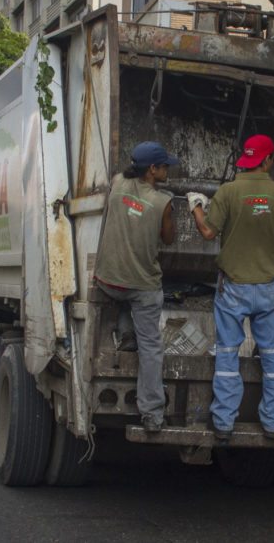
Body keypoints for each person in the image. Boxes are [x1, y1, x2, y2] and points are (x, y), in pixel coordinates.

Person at [189, 134, 274, 443]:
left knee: (227, 354)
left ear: (246, 158)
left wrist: (197, 207)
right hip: (269, 289)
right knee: (272, 356)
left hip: (234, 287)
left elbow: (208, 232)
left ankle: (224, 423)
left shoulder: (228, 192)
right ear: (268, 160)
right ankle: (272, 423)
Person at [93, 141, 178, 433]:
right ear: (152, 170)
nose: (168, 170)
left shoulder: (116, 184)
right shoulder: (163, 202)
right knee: (151, 347)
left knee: (125, 295)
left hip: (107, 280)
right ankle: (152, 413)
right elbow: (168, 239)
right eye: (165, 166)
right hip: (140, 287)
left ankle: (126, 331)